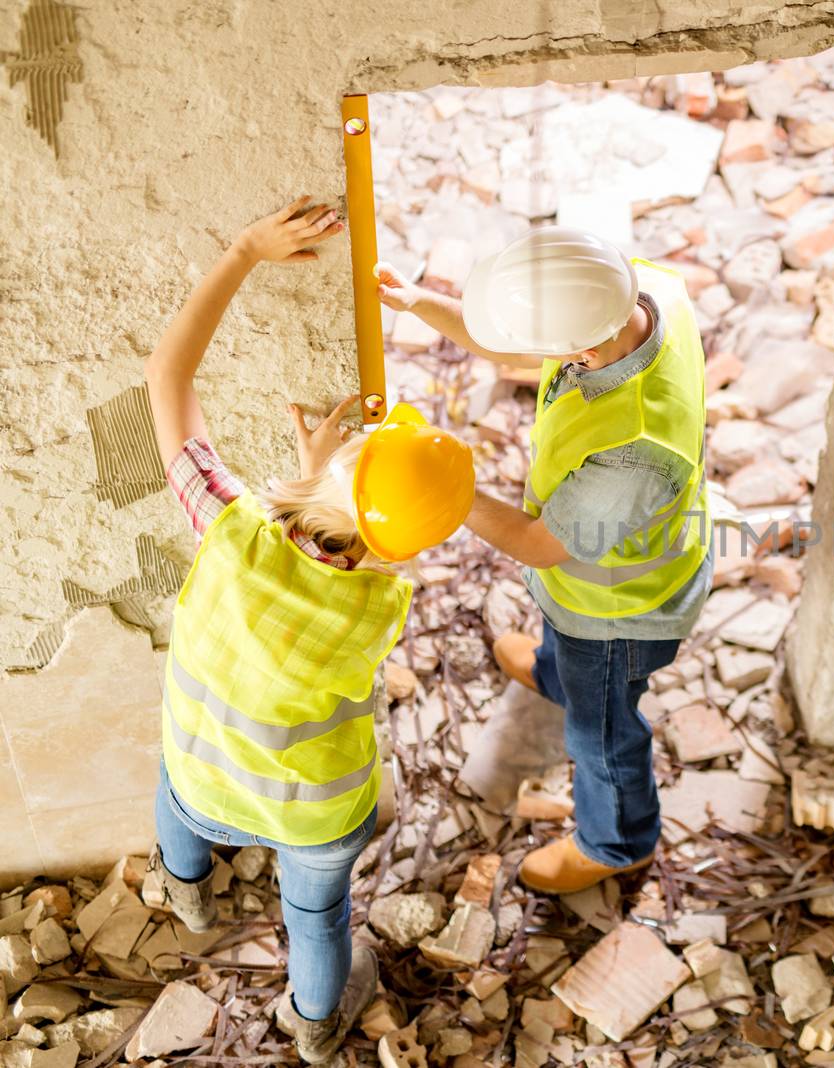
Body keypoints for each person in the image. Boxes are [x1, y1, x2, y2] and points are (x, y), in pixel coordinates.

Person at [144, 198, 475, 1064]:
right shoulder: (380, 598)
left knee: (176, 805)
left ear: (335, 478)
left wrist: (244, 250)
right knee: (320, 919)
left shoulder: (228, 528)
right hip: (321, 810)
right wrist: (318, 478)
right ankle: (314, 1027)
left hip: (205, 770)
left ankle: (187, 894)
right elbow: (335, 551)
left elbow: (167, 379)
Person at [376, 227, 711, 895]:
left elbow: (537, 543)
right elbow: (518, 335)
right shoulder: (635, 291)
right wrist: (420, 303)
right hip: (587, 583)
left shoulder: (635, 447)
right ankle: (559, 674)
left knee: (603, 738)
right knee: (571, 655)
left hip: (618, 611)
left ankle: (617, 842)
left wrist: (441, 486)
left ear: (579, 352)